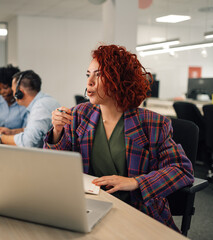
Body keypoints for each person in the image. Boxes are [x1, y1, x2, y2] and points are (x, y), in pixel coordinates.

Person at [44, 44, 194, 231]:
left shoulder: (153, 123)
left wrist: (136, 182)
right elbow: (54, 168)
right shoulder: (78, 116)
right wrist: (57, 131)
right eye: (88, 74)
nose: (89, 82)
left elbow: (182, 169)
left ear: (119, 79)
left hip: (137, 212)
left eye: (98, 75)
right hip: (88, 208)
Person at [0, 70, 60, 148]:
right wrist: (12, 132)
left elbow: (29, 142)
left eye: (13, 91)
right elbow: (36, 131)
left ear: (20, 93)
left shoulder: (40, 107)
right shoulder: (44, 100)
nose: (13, 94)